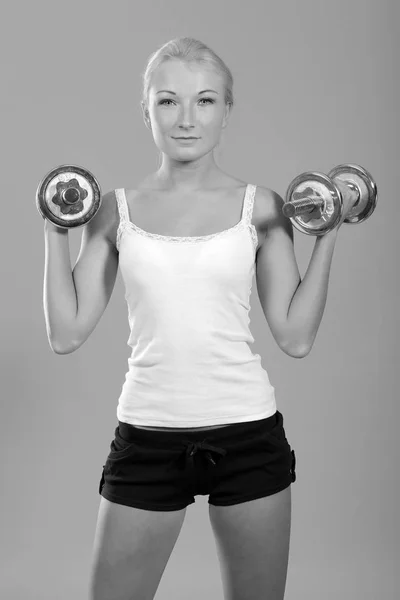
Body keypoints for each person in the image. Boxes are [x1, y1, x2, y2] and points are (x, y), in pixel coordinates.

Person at [43, 37, 353, 600]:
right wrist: (54, 225)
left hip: (248, 438)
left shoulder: (262, 206)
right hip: (148, 439)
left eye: (205, 101)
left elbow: (296, 337)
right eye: (168, 101)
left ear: (227, 110)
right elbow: (65, 335)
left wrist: (327, 236)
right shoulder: (115, 209)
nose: (187, 119)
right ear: (146, 111)